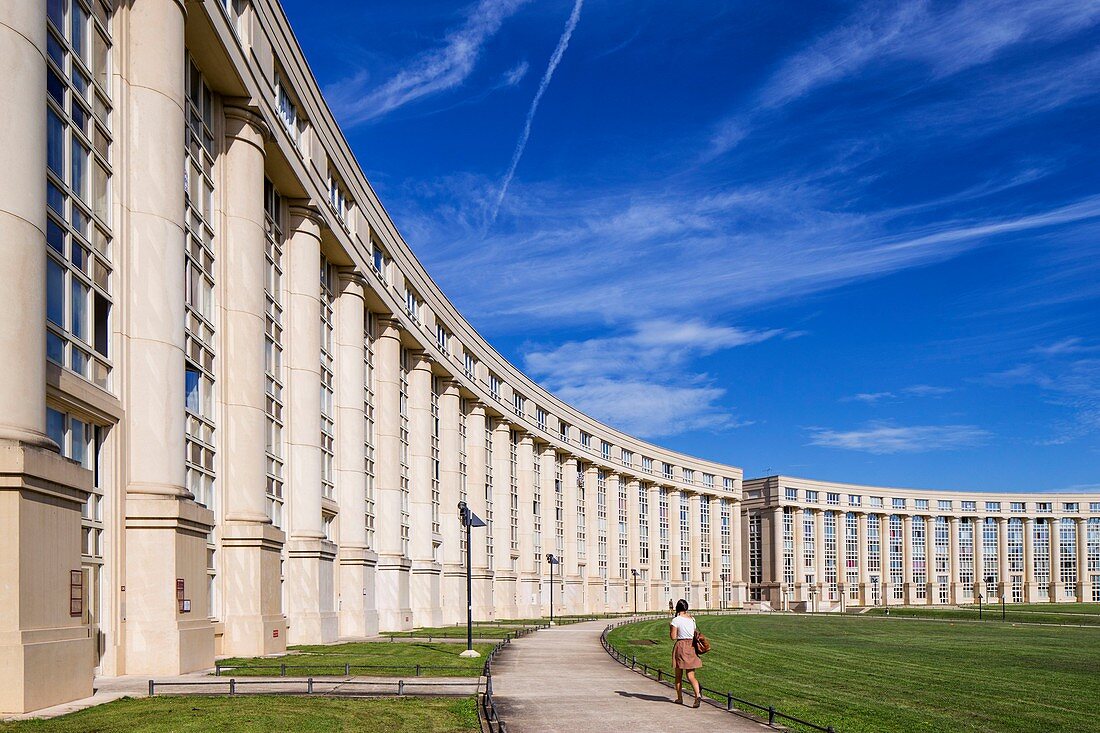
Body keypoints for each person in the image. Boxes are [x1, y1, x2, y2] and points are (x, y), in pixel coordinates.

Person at [669, 599, 702, 707]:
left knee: (678, 675)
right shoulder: (692, 619)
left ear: (677, 608)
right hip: (691, 646)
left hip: (681, 646)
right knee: (691, 675)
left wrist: (672, 628)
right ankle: (697, 695)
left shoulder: (676, 620)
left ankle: (680, 698)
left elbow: (673, 637)